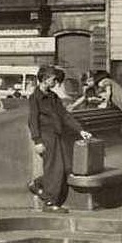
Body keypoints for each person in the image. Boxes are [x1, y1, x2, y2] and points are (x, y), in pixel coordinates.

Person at [27, 65, 93, 213]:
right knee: (54, 169)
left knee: (65, 168)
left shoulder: (53, 97)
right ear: (44, 79)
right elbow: (32, 120)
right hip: (46, 137)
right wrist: (37, 140)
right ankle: (50, 203)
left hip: (57, 136)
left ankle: (37, 184)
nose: (55, 82)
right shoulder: (35, 98)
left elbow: (65, 116)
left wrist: (81, 130)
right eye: (53, 79)